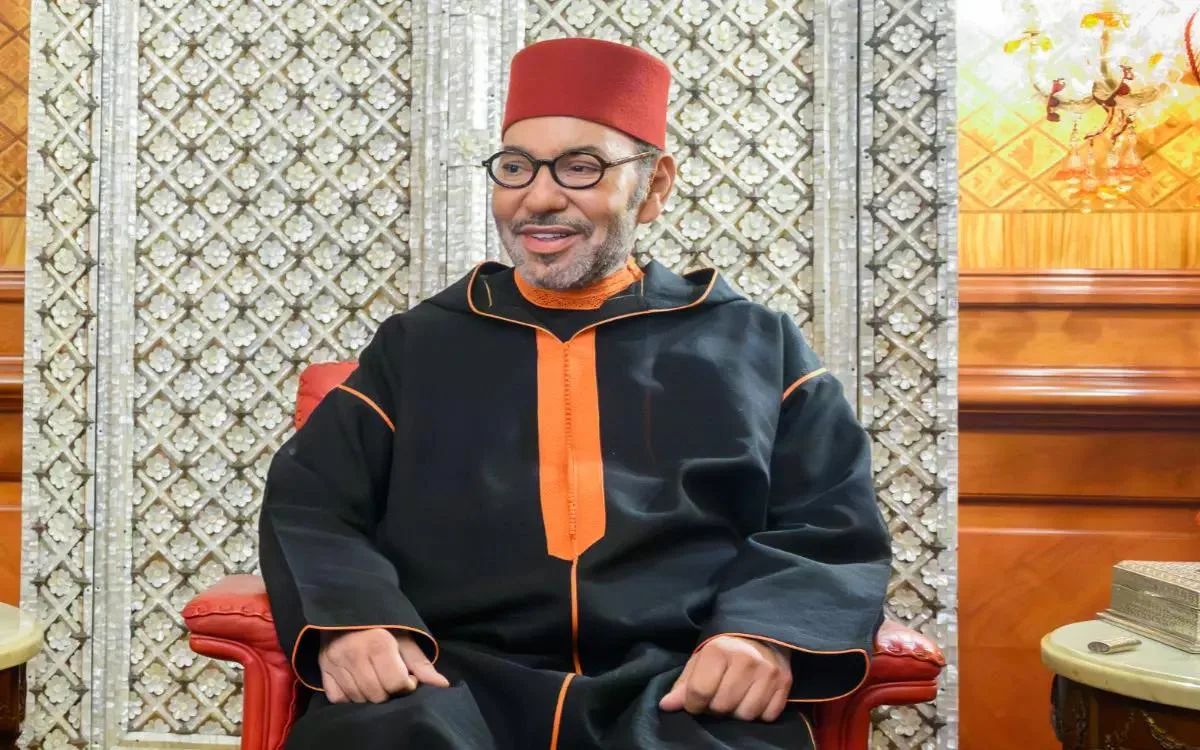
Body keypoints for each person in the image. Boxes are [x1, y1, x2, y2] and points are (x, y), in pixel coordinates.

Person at [259, 36, 891, 750]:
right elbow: (311, 500)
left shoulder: (757, 345)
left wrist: (762, 635)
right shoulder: (419, 344)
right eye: (516, 167)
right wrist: (354, 621)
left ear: (653, 187)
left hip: (678, 687)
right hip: (447, 682)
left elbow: (829, 518)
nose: (540, 197)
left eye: (581, 167)